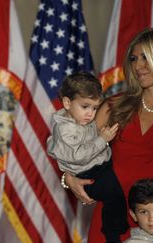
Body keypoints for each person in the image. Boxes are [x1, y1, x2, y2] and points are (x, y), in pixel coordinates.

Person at [64, 27, 153, 242]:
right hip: (112, 218)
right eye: (134, 59)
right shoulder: (115, 106)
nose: (138, 66)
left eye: (146, 57)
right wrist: (68, 178)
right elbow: (73, 147)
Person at [47, 72, 128, 242]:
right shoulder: (64, 129)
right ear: (67, 103)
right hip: (88, 175)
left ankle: (117, 224)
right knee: (114, 194)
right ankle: (112, 232)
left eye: (94, 108)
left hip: (101, 166)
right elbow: (78, 156)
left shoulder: (82, 120)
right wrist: (102, 140)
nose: (90, 113)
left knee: (118, 191)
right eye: (85, 106)